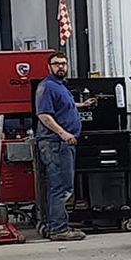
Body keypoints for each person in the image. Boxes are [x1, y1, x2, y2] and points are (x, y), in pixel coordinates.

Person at [33, 52, 91, 242]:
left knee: (62, 186)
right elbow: (44, 115)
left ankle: (56, 225)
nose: (61, 67)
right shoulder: (47, 86)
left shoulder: (59, 86)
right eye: (57, 64)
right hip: (56, 144)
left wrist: (80, 105)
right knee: (61, 188)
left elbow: (63, 105)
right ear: (49, 67)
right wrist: (63, 133)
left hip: (61, 143)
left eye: (64, 64)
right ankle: (58, 229)